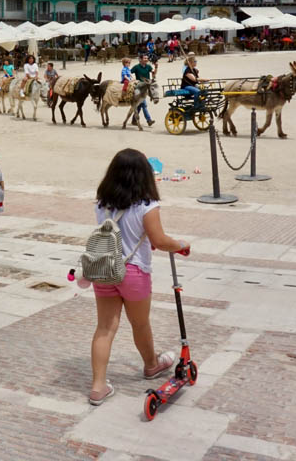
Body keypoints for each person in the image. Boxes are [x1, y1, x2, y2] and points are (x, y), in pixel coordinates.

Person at [88, 148, 191, 406]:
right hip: (133, 271)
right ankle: (151, 364)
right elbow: (159, 239)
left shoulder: (102, 203)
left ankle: (98, 387)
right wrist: (179, 244)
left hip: (105, 269)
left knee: (104, 328)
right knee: (140, 323)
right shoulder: (147, 205)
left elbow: (118, 232)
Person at [131, 54, 156, 128]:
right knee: (143, 105)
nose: (146, 59)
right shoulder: (136, 67)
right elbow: (129, 72)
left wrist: (156, 67)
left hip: (146, 88)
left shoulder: (148, 66)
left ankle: (134, 120)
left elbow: (154, 74)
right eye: (145, 58)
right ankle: (149, 120)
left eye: (147, 58)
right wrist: (133, 79)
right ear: (140, 59)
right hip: (138, 88)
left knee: (139, 106)